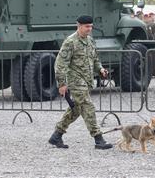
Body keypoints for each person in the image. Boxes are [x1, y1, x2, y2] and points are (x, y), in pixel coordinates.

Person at [48, 15, 113, 150]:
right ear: (79, 26)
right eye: (86, 26)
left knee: (76, 109)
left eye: (91, 26)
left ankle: (57, 135)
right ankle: (98, 139)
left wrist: (100, 69)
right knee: (88, 106)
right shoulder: (70, 42)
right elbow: (60, 64)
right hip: (75, 81)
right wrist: (62, 83)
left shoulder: (90, 41)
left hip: (87, 80)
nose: (89, 29)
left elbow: (95, 59)